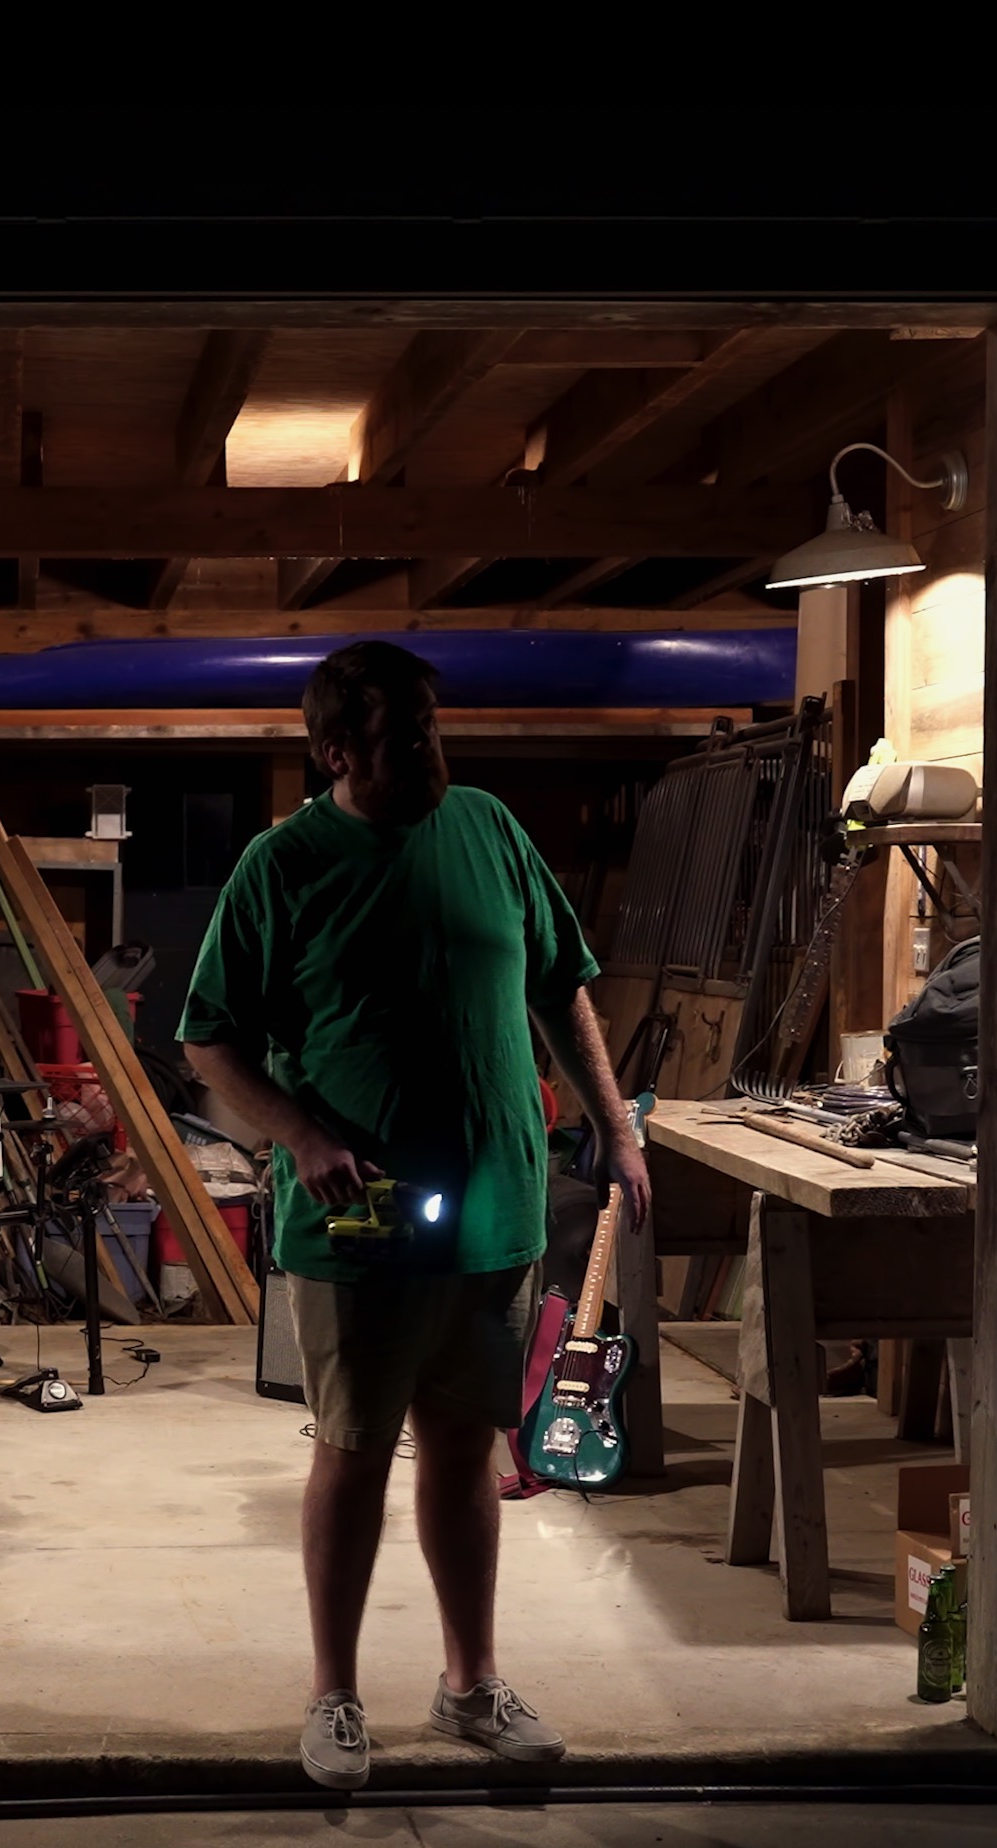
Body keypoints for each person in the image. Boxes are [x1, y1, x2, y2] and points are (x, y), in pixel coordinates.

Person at [179, 640, 651, 1790]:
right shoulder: (283, 866)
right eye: (405, 738)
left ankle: (469, 1684)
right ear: (337, 752)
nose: (433, 752)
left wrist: (617, 1126)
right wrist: (299, 1137)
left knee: (463, 1452)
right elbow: (209, 1040)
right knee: (352, 1454)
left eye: (437, 728)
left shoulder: (488, 828)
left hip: (496, 1214)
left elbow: (559, 986)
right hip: (361, 1225)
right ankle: (334, 1696)